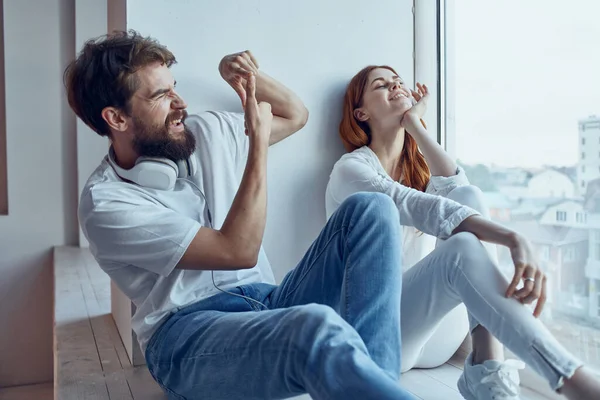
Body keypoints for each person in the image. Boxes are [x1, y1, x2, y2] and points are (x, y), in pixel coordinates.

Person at [65, 30, 419, 400]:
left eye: (174, 87)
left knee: (372, 208)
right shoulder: (105, 203)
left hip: (267, 302)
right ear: (116, 119)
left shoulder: (204, 132)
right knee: (315, 327)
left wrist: (241, 76)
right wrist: (258, 149)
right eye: (160, 96)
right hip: (188, 338)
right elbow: (237, 251)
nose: (180, 103)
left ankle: (379, 385)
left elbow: (296, 115)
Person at [326, 64, 600, 400]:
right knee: (461, 246)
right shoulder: (351, 171)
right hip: (381, 338)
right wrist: (513, 237)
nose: (396, 87)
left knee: (468, 195)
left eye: (400, 82)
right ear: (361, 112)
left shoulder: (421, 173)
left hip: (436, 340)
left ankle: (487, 368)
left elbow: (460, 191)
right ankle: (570, 379)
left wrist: (414, 124)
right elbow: (423, 209)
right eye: (382, 85)